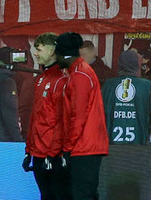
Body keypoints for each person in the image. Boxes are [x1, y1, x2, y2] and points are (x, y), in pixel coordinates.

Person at [57, 31, 109, 200]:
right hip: (86, 145)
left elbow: (78, 117)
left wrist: (67, 148)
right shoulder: (80, 72)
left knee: (81, 194)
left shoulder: (80, 75)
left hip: (84, 147)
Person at [24, 33, 67, 200]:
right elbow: (35, 118)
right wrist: (29, 151)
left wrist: (53, 154)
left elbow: (62, 122)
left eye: (39, 49)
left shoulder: (62, 80)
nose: (35, 53)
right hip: (39, 153)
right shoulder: (40, 79)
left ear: (52, 51)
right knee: (45, 196)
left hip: (53, 155)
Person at [102, 49, 151, 145]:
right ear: (138, 65)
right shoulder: (147, 86)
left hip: (110, 148)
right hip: (139, 146)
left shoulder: (108, 85)